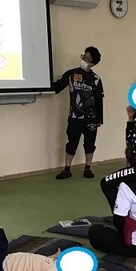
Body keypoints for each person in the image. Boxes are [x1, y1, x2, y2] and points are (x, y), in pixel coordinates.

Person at [53, 46, 103, 180]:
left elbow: (99, 100)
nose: (84, 60)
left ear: (93, 63)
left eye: (88, 59)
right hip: (74, 117)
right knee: (72, 142)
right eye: (83, 57)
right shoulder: (71, 74)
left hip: (91, 118)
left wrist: (99, 119)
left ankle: (88, 167)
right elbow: (57, 87)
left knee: (90, 144)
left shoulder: (96, 79)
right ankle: (67, 169)